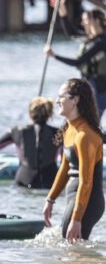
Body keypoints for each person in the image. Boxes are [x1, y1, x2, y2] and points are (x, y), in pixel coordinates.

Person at [42, 78, 105, 243]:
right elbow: (64, 169)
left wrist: (77, 219)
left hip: (88, 201)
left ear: (75, 100)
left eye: (61, 96)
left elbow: (86, 181)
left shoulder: (85, 135)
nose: (56, 101)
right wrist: (50, 199)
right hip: (74, 198)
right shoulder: (69, 129)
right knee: (70, 251)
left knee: (72, 250)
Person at [0, 96, 60, 189]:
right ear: (49, 114)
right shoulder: (59, 133)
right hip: (51, 182)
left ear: (29, 115)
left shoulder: (18, 131)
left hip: (25, 181)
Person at [44, 0, 106, 115]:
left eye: (86, 21)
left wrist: (54, 56)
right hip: (89, 85)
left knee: (94, 120)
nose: (83, 24)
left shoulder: (101, 42)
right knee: (83, 117)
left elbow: (78, 62)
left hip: (101, 88)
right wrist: (62, 12)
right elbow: (72, 33)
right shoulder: (91, 38)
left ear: (96, 21)